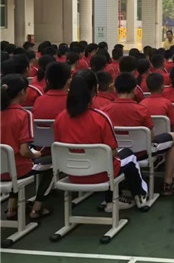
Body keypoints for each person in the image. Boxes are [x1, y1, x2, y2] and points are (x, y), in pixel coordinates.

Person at [54, 70, 149, 212]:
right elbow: (112, 152)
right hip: (100, 175)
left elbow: (60, 148)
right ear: (95, 89)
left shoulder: (60, 118)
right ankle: (139, 196)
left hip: (72, 174)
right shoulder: (101, 118)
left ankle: (114, 198)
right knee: (129, 156)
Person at [103, 73, 174, 196]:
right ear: (135, 89)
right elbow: (151, 137)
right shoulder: (141, 109)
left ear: (115, 89)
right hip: (141, 152)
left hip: (118, 152)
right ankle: (168, 182)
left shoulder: (105, 110)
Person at [1, 74, 53, 220]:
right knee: (51, 164)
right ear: (22, 92)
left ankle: (11, 208)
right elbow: (24, 152)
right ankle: (37, 208)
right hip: (18, 169)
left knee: (12, 166)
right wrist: (35, 154)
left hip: (2, 170)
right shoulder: (24, 114)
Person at [141, 73, 174, 172]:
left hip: (148, 139)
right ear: (162, 87)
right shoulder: (166, 103)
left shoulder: (142, 103)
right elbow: (173, 125)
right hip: (164, 136)